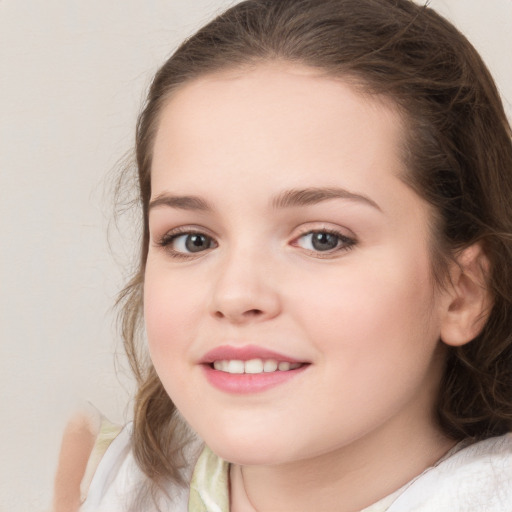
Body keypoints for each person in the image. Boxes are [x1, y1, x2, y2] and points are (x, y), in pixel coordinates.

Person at [54, 0, 512, 510]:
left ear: (464, 292)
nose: (235, 294)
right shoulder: (115, 486)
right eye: (193, 239)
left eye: (322, 238)